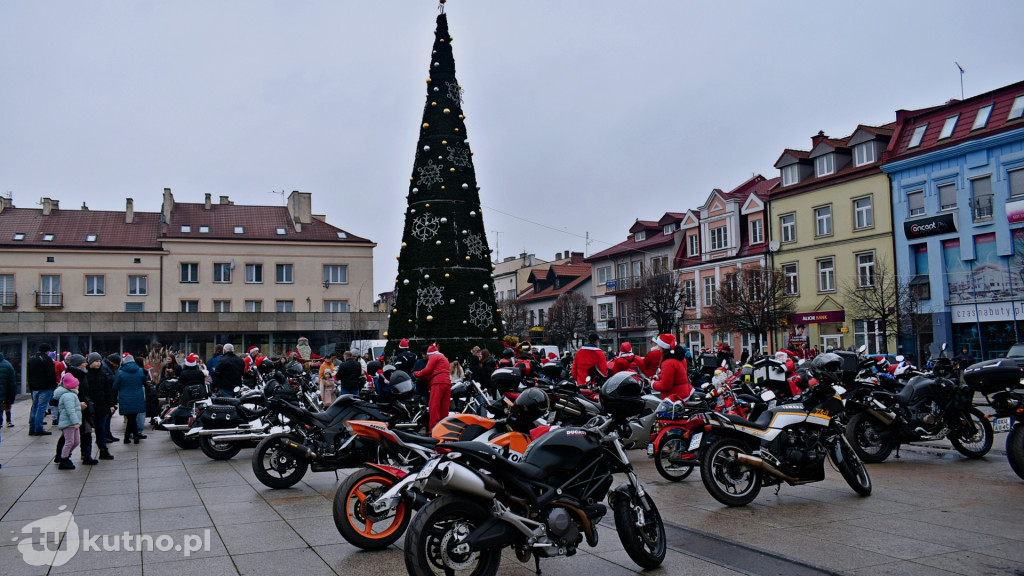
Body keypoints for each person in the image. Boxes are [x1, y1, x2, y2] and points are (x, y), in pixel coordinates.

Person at [54, 354, 99, 466]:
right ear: (79, 364)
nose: (86, 364)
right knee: (69, 434)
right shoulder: (71, 375)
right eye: (84, 362)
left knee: (86, 431)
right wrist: (79, 404)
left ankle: (86, 455)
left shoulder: (83, 374)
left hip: (84, 407)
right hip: (76, 408)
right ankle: (62, 456)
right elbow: (69, 394)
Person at [415, 345, 452, 430]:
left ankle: (433, 429)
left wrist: (416, 374)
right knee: (444, 408)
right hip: (447, 383)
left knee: (434, 407)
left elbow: (427, 370)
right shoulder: (444, 358)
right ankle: (443, 429)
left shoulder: (434, 356)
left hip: (437, 383)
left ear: (429, 354)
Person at [86, 353, 115, 460]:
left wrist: (111, 404)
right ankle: (86, 453)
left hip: (102, 406)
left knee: (101, 429)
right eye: (95, 361)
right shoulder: (86, 374)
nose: (98, 363)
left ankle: (103, 449)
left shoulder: (102, 373)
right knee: (86, 431)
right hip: (90, 406)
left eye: (99, 361)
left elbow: (108, 390)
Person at [113, 354, 147, 444]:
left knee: (130, 418)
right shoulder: (140, 370)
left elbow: (115, 386)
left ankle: (130, 437)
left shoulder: (120, 372)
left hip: (125, 397)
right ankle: (131, 437)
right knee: (133, 417)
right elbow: (145, 381)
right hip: (138, 396)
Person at [54, 371, 84, 470]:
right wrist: (75, 422)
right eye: (76, 385)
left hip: (72, 423)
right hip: (69, 423)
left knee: (76, 441)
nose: (78, 387)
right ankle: (64, 458)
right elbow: (70, 410)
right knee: (70, 442)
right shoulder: (68, 396)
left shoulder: (71, 395)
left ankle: (66, 456)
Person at [651, 333, 693, 400]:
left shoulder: (668, 363)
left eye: (659, 345)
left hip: (674, 397)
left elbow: (665, 387)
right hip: (682, 394)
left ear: (663, 347)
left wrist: (653, 384)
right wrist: (658, 377)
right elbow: (675, 377)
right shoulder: (679, 359)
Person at [28, 343, 58, 436]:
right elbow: (51, 375)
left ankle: (32, 428)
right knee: (41, 408)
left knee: (34, 407)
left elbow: (29, 375)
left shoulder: (32, 359)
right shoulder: (47, 359)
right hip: (45, 387)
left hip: (35, 388)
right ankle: (38, 428)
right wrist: (53, 386)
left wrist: (31, 387)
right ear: (47, 351)